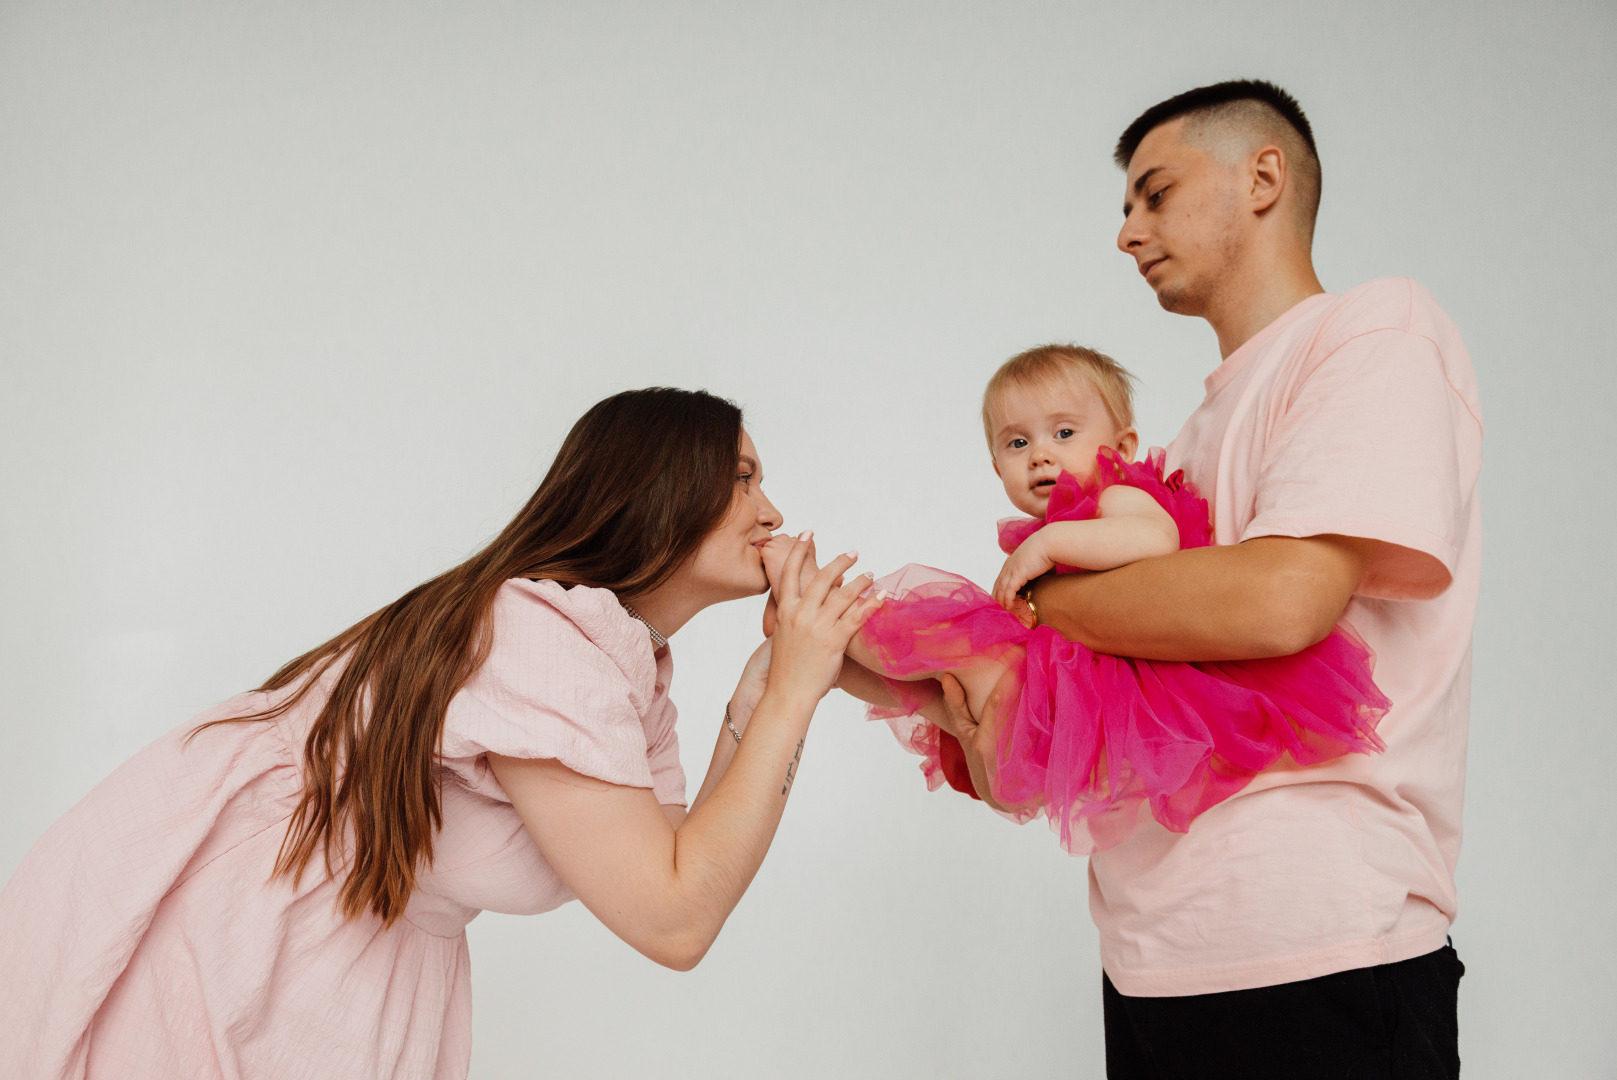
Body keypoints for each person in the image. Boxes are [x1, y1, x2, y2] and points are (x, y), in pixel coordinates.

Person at [0, 387, 883, 1080]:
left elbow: (687, 862)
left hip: (350, 957)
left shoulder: (621, 669)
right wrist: (795, 689)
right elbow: (675, 921)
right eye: (740, 477)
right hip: (246, 933)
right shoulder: (538, 638)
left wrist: (777, 682)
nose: (770, 512)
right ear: (654, 484)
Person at [936, 80, 1480, 1078]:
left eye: (1154, 193)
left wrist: (1042, 596)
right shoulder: (1171, 457)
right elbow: (1064, 740)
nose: (1126, 232)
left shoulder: (1373, 331)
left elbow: (1282, 600)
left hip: (1320, 946)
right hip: (1149, 965)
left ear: (1262, 177)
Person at [764, 343, 1390, 856]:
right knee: (933, 680)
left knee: (952, 636)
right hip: (1056, 709)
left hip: (1122, 694)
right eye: (1016, 444)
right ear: (996, 468)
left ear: (1119, 448)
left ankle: (823, 606)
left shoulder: (1121, 495)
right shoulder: (1059, 527)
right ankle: (824, 651)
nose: (1040, 454)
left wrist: (1053, 543)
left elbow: (1158, 538)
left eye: (1063, 432)